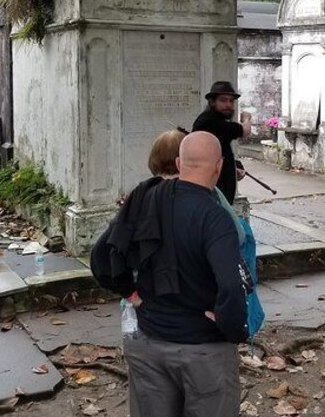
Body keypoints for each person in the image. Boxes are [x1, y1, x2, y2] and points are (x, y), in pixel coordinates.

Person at [92, 131, 249, 416]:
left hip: (148, 339)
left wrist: (130, 293)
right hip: (203, 348)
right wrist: (233, 328)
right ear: (219, 166)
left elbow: (101, 257)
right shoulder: (215, 217)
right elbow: (231, 284)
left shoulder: (143, 197)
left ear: (179, 163)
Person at [192, 81, 252, 204]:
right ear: (212, 102)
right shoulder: (210, 121)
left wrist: (235, 165)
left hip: (219, 184)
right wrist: (246, 118)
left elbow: (221, 151)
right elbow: (245, 131)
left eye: (231, 101)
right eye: (223, 100)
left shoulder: (216, 120)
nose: (228, 105)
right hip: (212, 187)